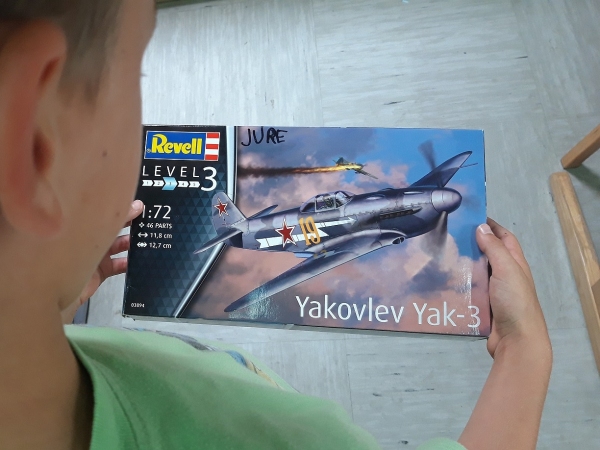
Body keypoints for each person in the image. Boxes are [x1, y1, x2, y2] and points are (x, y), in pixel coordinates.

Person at [0, 1, 552, 449]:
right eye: (137, 72)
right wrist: (524, 349)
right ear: (35, 143)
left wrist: (54, 300)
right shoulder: (291, 437)